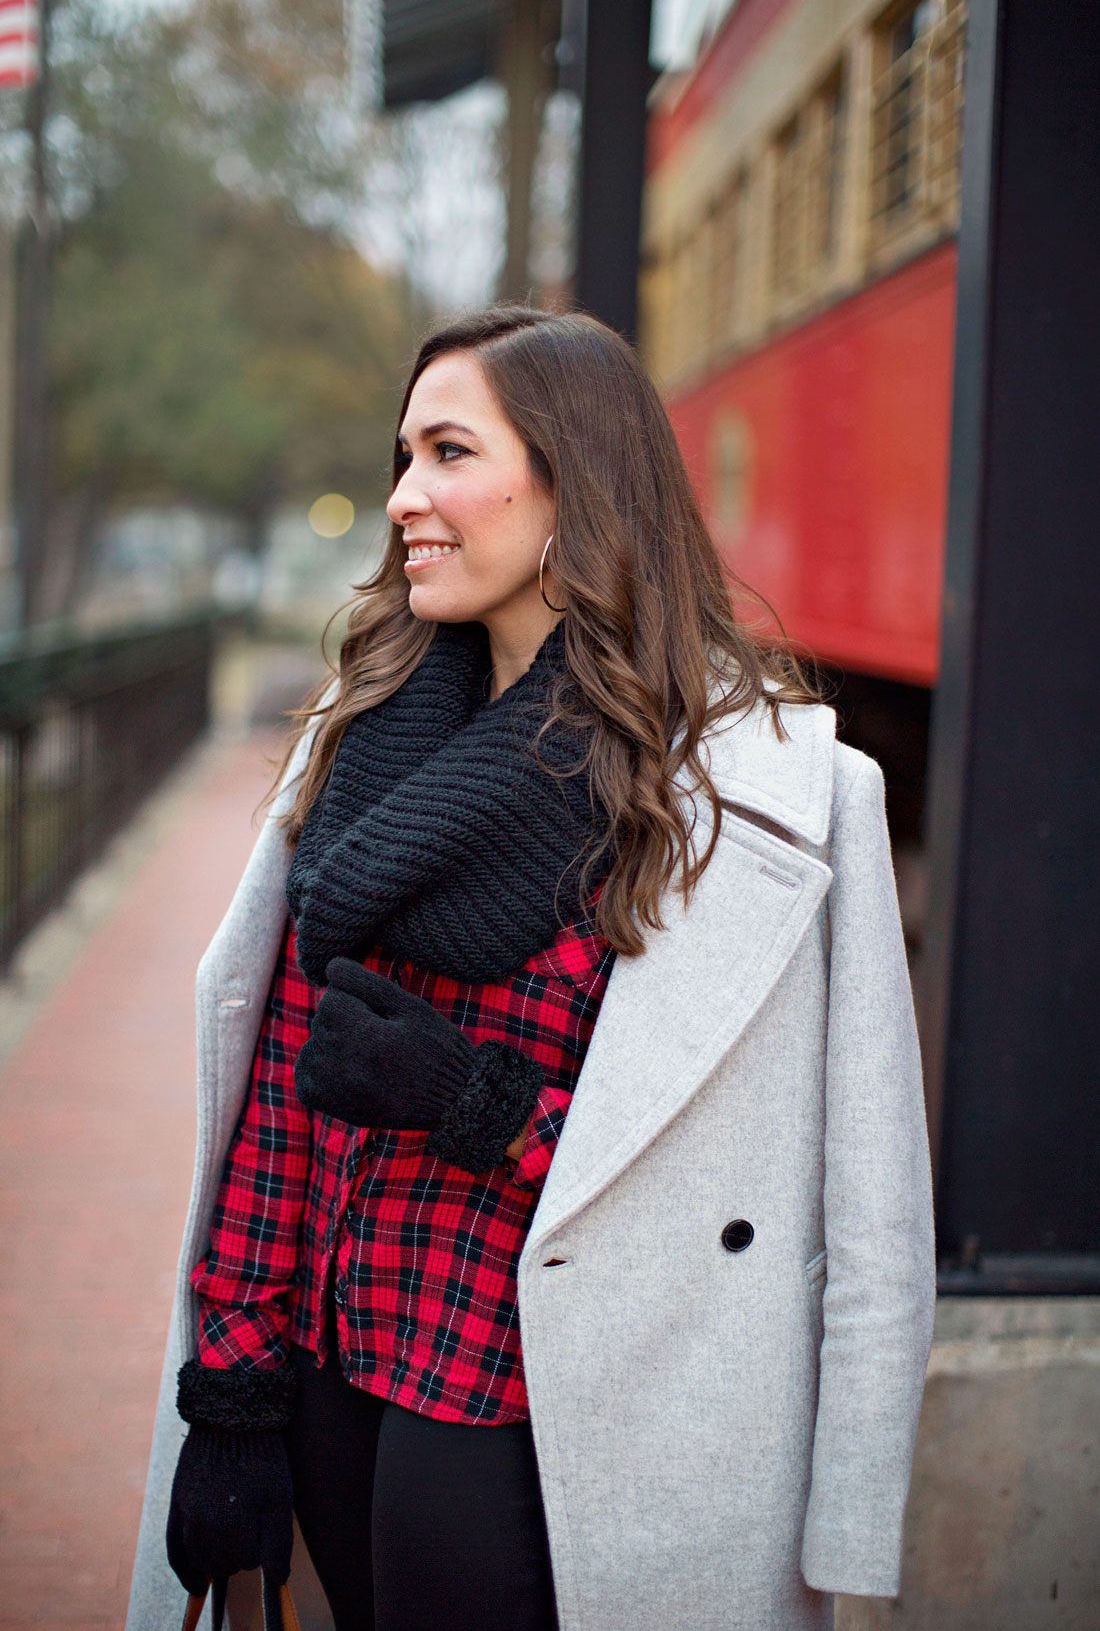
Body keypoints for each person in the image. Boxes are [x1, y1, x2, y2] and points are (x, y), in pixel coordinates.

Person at [126, 305, 936, 1631]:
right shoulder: (364, 739)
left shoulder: (764, 796)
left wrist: (477, 1103)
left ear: (574, 481)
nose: (403, 499)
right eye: (402, 456)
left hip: (546, 1405)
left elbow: (858, 1209)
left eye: (448, 453)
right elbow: (278, 1094)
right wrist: (232, 1389)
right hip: (338, 1367)